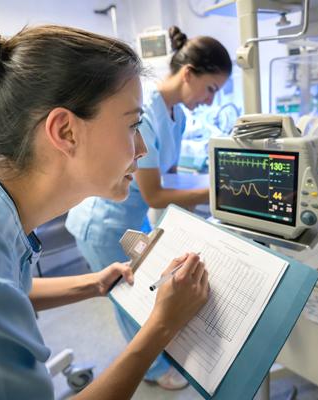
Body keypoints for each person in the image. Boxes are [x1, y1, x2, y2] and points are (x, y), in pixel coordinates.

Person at [0, 5, 209, 400]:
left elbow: (2, 287)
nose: (143, 147)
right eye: (132, 125)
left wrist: (91, 283)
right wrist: (161, 327)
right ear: (65, 131)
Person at [65, 26, 231, 389]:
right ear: (188, 74)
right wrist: (219, 194)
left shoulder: (179, 116)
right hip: (104, 223)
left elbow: (167, 181)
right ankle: (154, 371)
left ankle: (156, 347)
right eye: (210, 89)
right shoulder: (148, 112)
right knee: (128, 296)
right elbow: (156, 194)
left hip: (131, 218)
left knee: (147, 288)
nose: (210, 100)